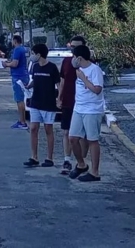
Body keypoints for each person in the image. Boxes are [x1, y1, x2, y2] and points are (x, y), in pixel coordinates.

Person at [68, 45, 105, 182]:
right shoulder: (78, 70)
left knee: (92, 140)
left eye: (73, 57)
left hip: (92, 109)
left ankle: (95, 172)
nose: (72, 60)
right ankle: (81, 164)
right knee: (72, 138)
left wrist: (83, 78)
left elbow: (97, 90)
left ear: (79, 58)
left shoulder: (95, 70)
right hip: (79, 108)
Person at [24, 44, 60, 168]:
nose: (32, 56)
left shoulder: (52, 67)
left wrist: (59, 99)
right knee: (33, 128)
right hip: (35, 102)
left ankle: (49, 158)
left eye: (33, 53)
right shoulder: (35, 67)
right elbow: (35, 79)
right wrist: (28, 86)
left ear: (39, 54)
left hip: (48, 103)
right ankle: (34, 157)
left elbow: (58, 84)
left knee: (48, 129)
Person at [58, 36, 87, 174]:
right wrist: (59, 97)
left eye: (77, 47)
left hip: (83, 103)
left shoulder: (89, 64)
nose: (73, 50)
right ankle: (67, 159)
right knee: (66, 131)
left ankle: (81, 161)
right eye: (72, 47)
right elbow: (62, 82)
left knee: (82, 135)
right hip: (68, 101)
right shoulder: (66, 61)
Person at [2, 35, 29, 130]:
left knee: (19, 99)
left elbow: (15, 64)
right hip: (24, 75)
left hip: (18, 76)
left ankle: (22, 122)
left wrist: (6, 64)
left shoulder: (17, 50)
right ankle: (21, 120)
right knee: (21, 98)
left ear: (15, 41)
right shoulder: (24, 49)